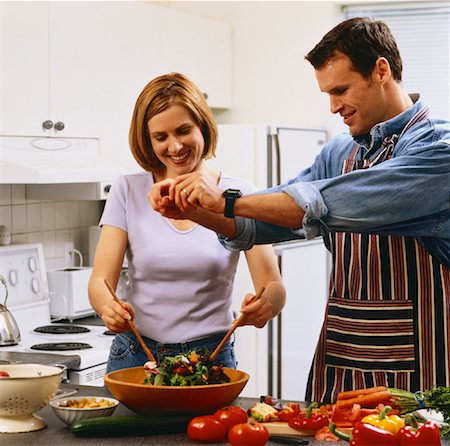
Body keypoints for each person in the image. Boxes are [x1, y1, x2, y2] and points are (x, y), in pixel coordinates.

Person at [149, 18, 450, 403]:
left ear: (381, 70)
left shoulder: (436, 150)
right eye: (327, 93)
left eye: (341, 90)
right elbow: (269, 222)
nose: (333, 107)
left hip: (418, 367)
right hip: (341, 355)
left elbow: (334, 202)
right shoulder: (339, 153)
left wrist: (224, 200)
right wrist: (192, 210)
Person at [88, 72, 286, 373]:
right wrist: (107, 307)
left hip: (211, 356)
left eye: (183, 131)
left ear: (203, 127)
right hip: (136, 353)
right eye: (161, 137)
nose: (175, 146)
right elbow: (99, 282)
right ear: (147, 139)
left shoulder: (238, 195)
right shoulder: (128, 190)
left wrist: (266, 304)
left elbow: (274, 286)